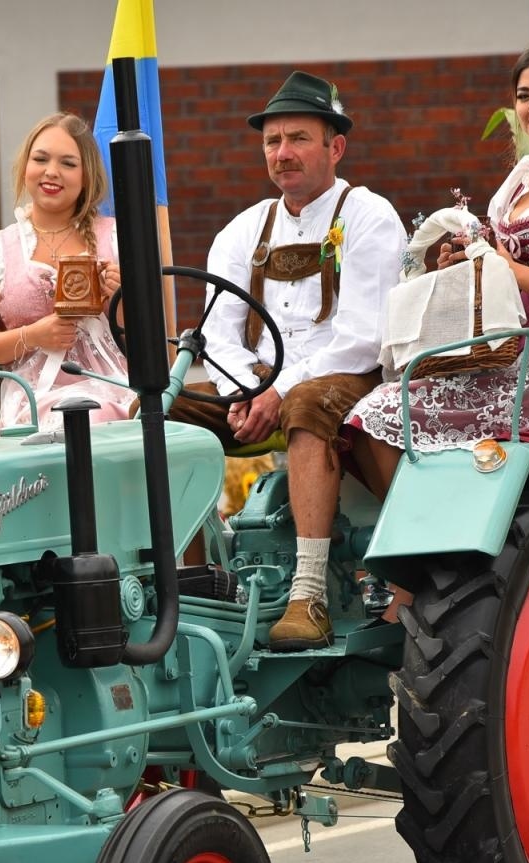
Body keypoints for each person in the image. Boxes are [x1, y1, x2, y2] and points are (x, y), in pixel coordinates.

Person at [345, 38, 529, 498]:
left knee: (384, 413)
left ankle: (423, 555)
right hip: (509, 346)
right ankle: (420, 548)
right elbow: (502, 272)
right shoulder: (524, 178)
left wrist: (519, 275)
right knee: (367, 415)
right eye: (524, 96)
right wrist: (464, 268)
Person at [171, 71, 406, 651]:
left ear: (335, 146)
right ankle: (194, 578)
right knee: (158, 405)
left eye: (299, 138)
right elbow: (217, 333)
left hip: (350, 379)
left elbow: (361, 337)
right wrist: (249, 387)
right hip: (259, 387)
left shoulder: (369, 216)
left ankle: (309, 595)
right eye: (273, 143)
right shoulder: (241, 231)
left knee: (305, 401)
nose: (283, 154)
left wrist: (278, 388)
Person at [0, 113, 132, 433]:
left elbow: (153, 339)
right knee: (66, 423)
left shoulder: (120, 238)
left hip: (115, 396)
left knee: (88, 418)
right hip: (32, 405)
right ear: (26, 167)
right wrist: (33, 336)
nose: (52, 172)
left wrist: (118, 301)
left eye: (68, 163)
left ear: (87, 176)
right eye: (40, 159)